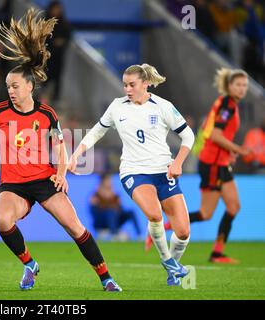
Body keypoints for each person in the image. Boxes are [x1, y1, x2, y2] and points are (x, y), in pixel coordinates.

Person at [0, 8, 121, 292]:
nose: (11, 91)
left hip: (44, 180)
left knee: (74, 227)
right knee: (2, 219)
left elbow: (60, 146)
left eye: (15, 86)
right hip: (13, 184)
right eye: (8, 87)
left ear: (29, 86)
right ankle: (29, 264)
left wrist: (61, 173)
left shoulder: (46, 115)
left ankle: (106, 278)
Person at [69, 64, 195, 286]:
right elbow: (97, 131)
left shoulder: (163, 106)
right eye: (125, 84)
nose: (127, 89)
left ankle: (172, 268)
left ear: (145, 84)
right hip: (134, 171)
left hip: (164, 170)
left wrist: (178, 162)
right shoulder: (117, 107)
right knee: (155, 214)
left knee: (183, 232)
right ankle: (167, 260)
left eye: (132, 84)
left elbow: (188, 137)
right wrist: (76, 154)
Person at [150, 69, 251, 264]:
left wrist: (228, 153)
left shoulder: (225, 104)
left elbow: (207, 131)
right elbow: (215, 135)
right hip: (213, 164)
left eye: (244, 85)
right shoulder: (227, 106)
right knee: (206, 213)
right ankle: (167, 226)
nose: (242, 88)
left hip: (219, 162)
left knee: (233, 206)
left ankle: (217, 253)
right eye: (238, 84)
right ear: (229, 86)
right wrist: (238, 149)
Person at [89, 173, 141, 241]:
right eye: (108, 181)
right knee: (110, 212)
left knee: (131, 212)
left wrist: (116, 204)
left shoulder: (115, 196)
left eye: (110, 180)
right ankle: (114, 235)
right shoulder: (95, 195)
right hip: (102, 223)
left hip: (115, 220)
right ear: (102, 182)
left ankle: (139, 235)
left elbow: (121, 210)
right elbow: (94, 213)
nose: (110, 182)